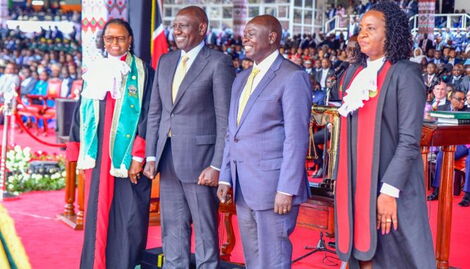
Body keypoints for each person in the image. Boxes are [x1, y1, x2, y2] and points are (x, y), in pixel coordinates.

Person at [334, 2, 435, 268]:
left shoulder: (406, 74)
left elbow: (409, 140)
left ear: (389, 35)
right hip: (359, 185)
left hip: (391, 185)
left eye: (371, 29)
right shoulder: (354, 74)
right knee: (364, 257)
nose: (362, 35)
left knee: (393, 259)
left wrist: (388, 191)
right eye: (360, 29)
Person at [143, 6, 235, 268]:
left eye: (184, 25)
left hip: (202, 164)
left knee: (206, 232)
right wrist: (151, 154)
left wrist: (217, 165)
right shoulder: (166, 60)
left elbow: (224, 119)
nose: (177, 30)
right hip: (167, 159)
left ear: (202, 28)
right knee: (172, 229)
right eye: (175, 25)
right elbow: (156, 112)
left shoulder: (218, 62)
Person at [217, 15, 312, 268]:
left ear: (272, 37)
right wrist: (226, 176)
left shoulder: (292, 76)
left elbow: (296, 137)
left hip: (274, 188)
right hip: (242, 186)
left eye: (251, 33)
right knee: (253, 260)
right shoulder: (241, 78)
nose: (244, 38)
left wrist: (286, 189)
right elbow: (232, 132)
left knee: (274, 259)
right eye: (244, 33)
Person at [66, 18, 154, 269]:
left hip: (126, 159)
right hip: (98, 157)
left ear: (130, 40)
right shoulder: (94, 71)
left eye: (120, 38)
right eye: (109, 38)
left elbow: (150, 114)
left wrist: (139, 156)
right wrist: (76, 149)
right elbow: (80, 113)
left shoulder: (145, 72)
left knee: (129, 217)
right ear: (103, 41)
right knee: (96, 215)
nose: (114, 43)